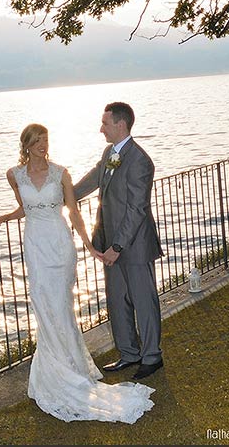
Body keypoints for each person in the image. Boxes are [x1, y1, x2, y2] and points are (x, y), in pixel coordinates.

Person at [0, 123, 154, 423]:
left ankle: (72, 369)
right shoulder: (14, 175)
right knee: (43, 307)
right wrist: (3, 217)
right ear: (25, 144)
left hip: (61, 246)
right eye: (36, 141)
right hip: (36, 247)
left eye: (45, 139)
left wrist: (90, 246)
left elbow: (73, 210)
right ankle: (54, 370)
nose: (42, 144)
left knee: (61, 307)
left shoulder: (61, 172)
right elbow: (25, 207)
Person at [74, 102, 164, 380]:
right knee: (117, 301)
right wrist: (64, 194)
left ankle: (152, 357)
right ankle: (129, 353)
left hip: (133, 246)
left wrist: (117, 247)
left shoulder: (139, 160)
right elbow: (94, 179)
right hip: (109, 243)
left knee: (143, 301)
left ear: (121, 125)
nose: (101, 128)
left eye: (105, 123)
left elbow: (137, 209)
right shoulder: (109, 153)